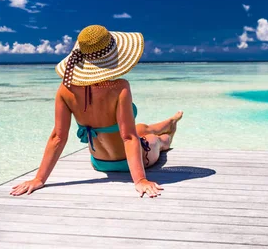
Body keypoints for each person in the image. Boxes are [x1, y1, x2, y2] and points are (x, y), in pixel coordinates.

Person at [10, 25, 182, 198]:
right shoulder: (119, 87)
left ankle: (169, 121)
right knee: (156, 141)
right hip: (126, 163)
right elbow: (128, 137)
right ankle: (169, 131)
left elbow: (58, 137)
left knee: (140, 128)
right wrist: (140, 180)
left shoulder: (65, 89)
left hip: (99, 162)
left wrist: (39, 179)